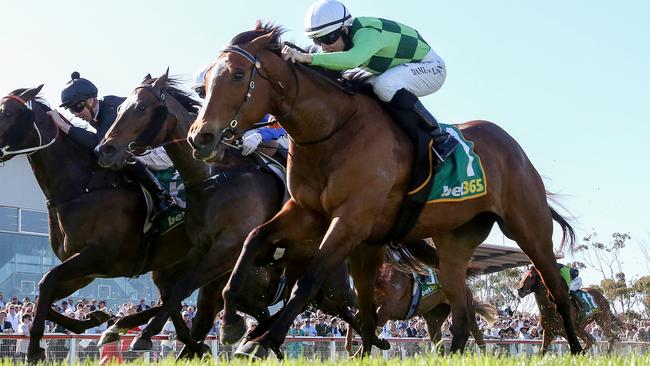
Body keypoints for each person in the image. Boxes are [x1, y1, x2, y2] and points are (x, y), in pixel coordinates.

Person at [282, 0, 458, 164]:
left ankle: (439, 135)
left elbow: (352, 60)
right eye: (317, 41)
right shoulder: (348, 36)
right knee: (357, 84)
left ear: (344, 30)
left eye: (328, 39)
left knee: (384, 85)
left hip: (431, 68)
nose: (324, 47)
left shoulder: (367, 33)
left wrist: (306, 57)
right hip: (397, 70)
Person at [47, 72, 175, 218]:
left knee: (119, 155)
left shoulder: (112, 107)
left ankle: (161, 196)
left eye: (77, 107)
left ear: (92, 101)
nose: (76, 114)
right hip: (145, 150)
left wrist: (62, 124)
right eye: (71, 110)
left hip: (162, 152)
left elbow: (97, 143)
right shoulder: (99, 114)